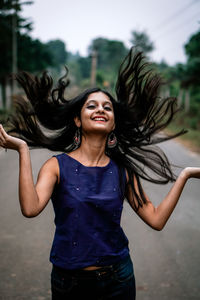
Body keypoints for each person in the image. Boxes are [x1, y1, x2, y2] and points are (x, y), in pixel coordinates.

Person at [0, 48, 199, 300]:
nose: (101, 109)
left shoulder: (123, 171)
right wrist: (22, 149)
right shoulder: (56, 167)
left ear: (113, 123)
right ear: (78, 121)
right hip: (69, 282)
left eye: (107, 107)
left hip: (118, 279)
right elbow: (30, 208)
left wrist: (186, 175)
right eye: (91, 106)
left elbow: (156, 220)